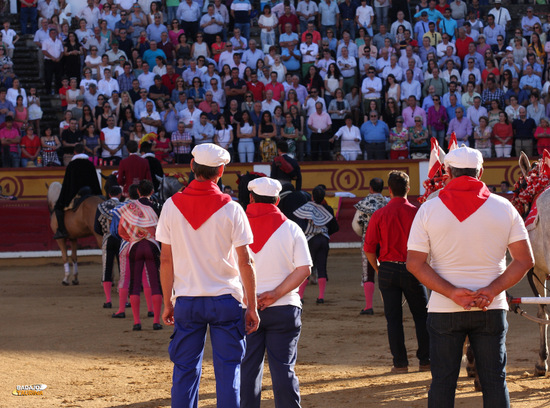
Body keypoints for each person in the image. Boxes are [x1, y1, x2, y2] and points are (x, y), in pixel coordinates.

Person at [407, 146, 534, 407]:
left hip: (444, 308)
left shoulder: (429, 210)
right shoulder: (504, 207)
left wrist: (452, 293)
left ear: (448, 173)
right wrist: (491, 290)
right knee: (495, 381)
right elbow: (524, 260)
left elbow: (415, 264)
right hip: (491, 306)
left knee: (443, 382)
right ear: (481, 172)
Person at [157, 143, 260, 408]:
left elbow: (165, 259)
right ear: (221, 171)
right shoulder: (232, 208)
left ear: (192, 167)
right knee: (228, 371)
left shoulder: (170, 206)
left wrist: (168, 301)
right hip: (225, 300)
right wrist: (252, 305)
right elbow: (245, 262)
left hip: (188, 301)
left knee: (184, 371)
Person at [241, 177, 312, 408]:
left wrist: (248, 297)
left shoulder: (237, 228)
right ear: (278, 201)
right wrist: (276, 293)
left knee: (247, 370)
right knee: (283, 369)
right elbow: (304, 269)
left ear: (250, 198)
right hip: (284, 308)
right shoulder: (291, 228)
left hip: (246, 307)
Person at [364, 170, 430, 374]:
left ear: (389, 190)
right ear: (408, 189)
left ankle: (400, 363)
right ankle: (425, 361)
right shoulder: (417, 213)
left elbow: (368, 248)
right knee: (422, 317)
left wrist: (378, 268)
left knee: (393, 319)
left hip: (388, 268)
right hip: (413, 268)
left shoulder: (379, 214)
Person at [118, 179, 163, 331]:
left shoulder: (129, 207)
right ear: (152, 192)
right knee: (155, 282)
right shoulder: (157, 207)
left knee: (135, 284)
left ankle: (137, 322)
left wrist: (132, 237)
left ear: (138, 191)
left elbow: (121, 231)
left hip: (135, 246)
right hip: (152, 245)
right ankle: (156, 321)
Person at [295, 185, 339, 304]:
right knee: (322, 267)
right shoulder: (328, 209)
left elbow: (299, 225)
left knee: (306, 267)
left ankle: (300, 296)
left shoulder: (305, 208)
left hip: (311, 240)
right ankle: (321, 297)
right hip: (324, 240)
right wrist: (325, 232)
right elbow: (335, 226)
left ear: (312, 196)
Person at [352, 177, 389, 315]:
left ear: (370, 188)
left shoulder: (364, 203)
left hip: (369, 241)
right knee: (386, 272)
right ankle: (388, 305)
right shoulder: (387, 202)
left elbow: (356, 225)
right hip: (385, 242)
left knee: (368, 272)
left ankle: (368, 306)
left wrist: (364, 234)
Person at [53, 143, 102, 240]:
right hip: (91, 192)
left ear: (74, 152)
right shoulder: (90, 164)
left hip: (76, 193)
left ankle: (62, 230)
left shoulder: (71, 165)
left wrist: (63, 198)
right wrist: (98, 195)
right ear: (84, 151)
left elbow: (67, 184)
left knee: (58, 207)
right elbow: (95, 182)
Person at [94, 185, 122, 309]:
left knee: (107, 268)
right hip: (122, 240)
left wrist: (105, 233)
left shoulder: (101, 207)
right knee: (124, 270)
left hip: (107, 239)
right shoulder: (124, 207)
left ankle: (108, 300)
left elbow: (96, 228)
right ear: (120, 194)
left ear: (109, 194)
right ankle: (125, 300)